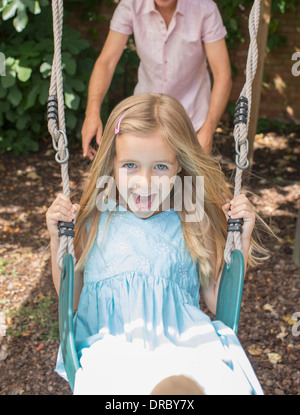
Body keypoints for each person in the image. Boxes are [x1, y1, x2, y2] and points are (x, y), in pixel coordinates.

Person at [46, 93, 264, 395]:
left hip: (185, 342)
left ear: (179, 166)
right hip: (111, 346)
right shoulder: (94, 221)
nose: (145, 181)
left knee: (201, 384)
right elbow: (69, 302)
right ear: (112, 162)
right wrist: (58, 239)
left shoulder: (191, 222)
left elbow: (218, 303)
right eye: (131, 165)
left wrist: (242, 238)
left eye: (160, 167)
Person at [81, 0, 232, 159]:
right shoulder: (130, 5)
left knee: (187, 183)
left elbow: (223, 75)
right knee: (141, 181)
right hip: (144, 119)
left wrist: (208, 130)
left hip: (191, 121)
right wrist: (92, 112)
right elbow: (107, 62)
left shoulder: (205, 9)